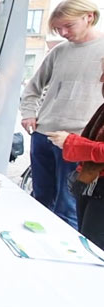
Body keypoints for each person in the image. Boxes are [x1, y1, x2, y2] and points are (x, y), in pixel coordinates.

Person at [19, 0, 104, 229]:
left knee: (68, 210)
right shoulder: (59, 51)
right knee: (39, 202)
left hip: (78, 142)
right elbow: (32, 88)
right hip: (43, 136)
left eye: (68, 26)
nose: (63, 32)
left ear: (89, 17)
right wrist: (28, 112)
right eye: (58, 28)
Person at [46, 58, 104, 249]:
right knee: (86, 241)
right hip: (92, 183)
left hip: (99, 187)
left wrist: (72, 142)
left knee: (92, 248)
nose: (101, 80)